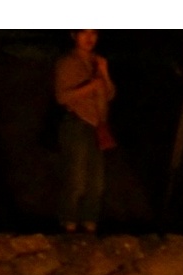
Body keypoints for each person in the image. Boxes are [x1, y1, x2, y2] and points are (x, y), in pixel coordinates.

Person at [54, 29, 115, 233]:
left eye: (94, 33)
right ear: (74, 35)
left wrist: (104, 72)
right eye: (84, 33)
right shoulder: (67, 62)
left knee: (96, 182)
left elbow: (109, 94)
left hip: (97, 124)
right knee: (76, 179)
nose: (89, 38)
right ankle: (68, 224)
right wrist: (91, 86)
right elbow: (62, 97)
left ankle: (90, 224)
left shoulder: (96, 61)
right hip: (77, 122)